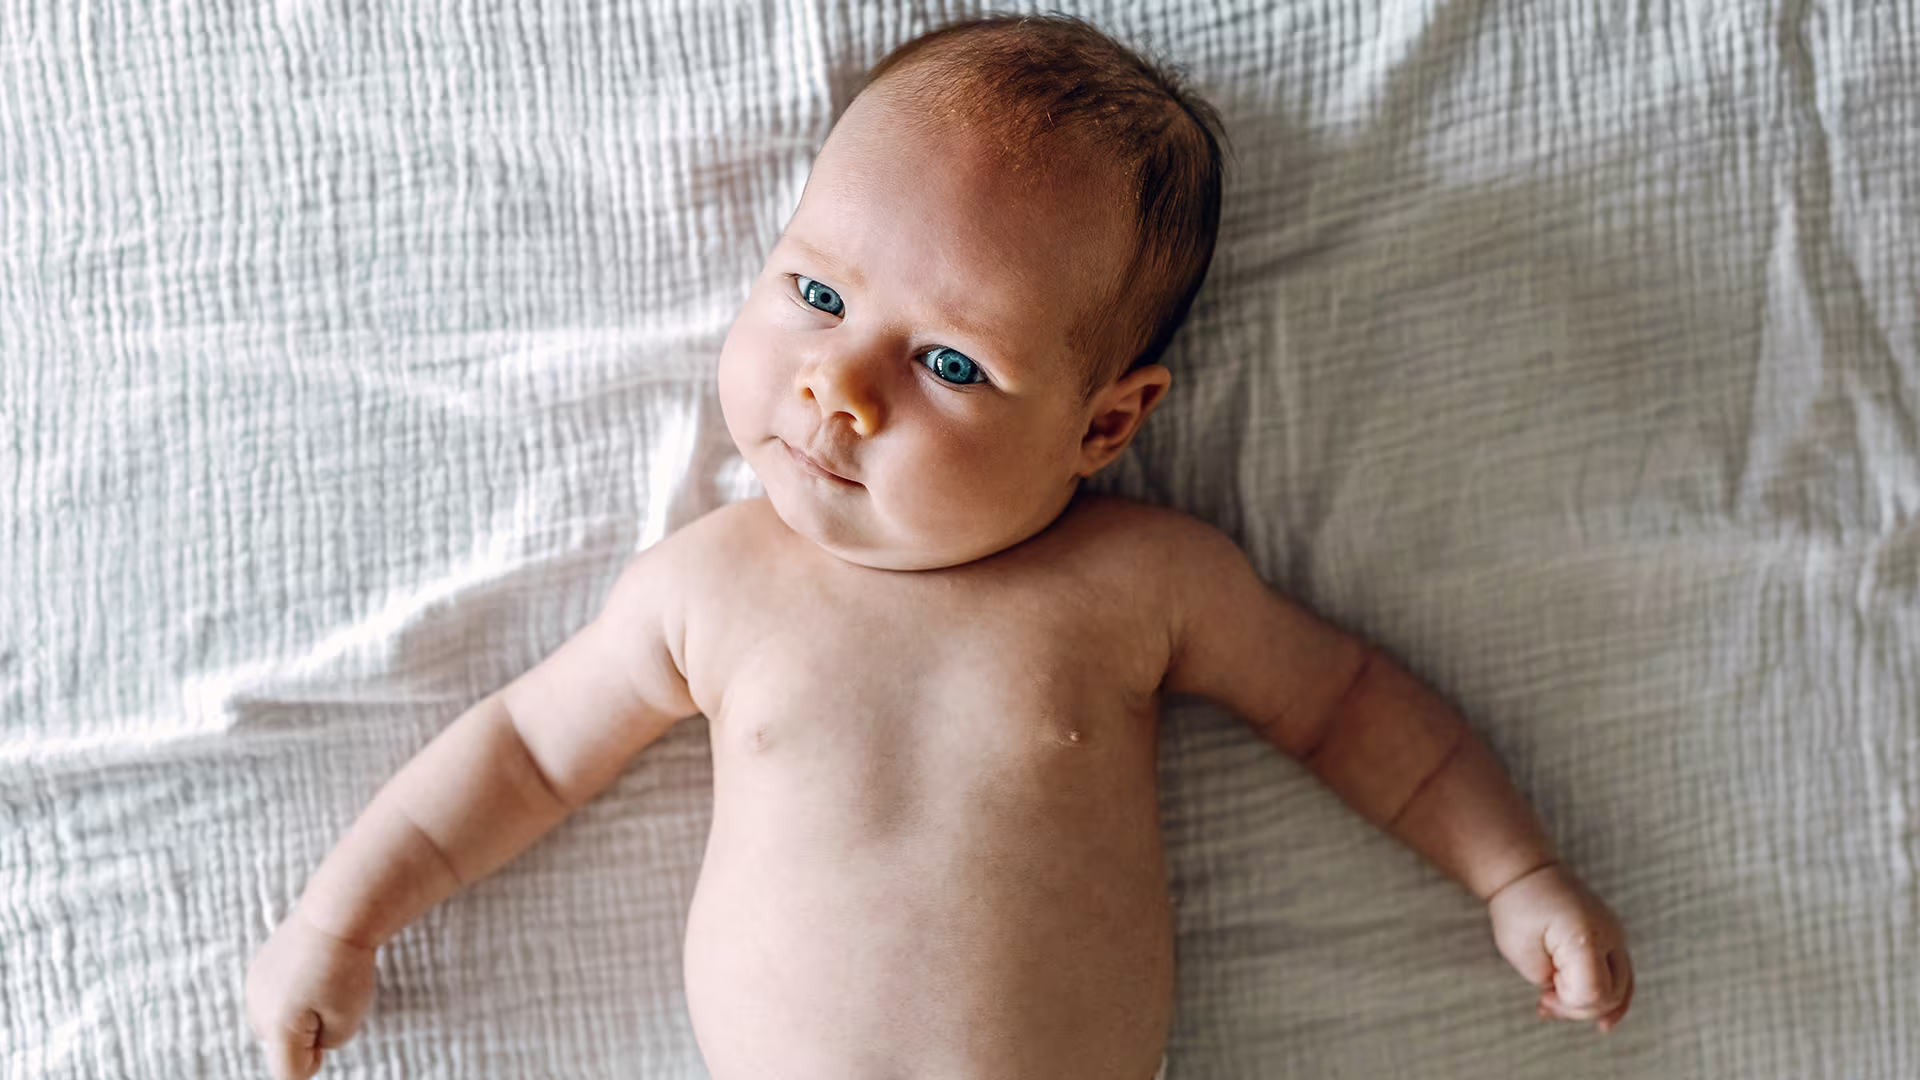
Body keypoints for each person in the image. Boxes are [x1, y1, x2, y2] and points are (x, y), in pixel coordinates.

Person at [245, 14, 1634, 1080]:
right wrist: (341, 923)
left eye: (953, 365)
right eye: (815, 291)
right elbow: (520, 757)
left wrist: (1512, 873)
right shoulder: (711, 586)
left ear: (1107, 424)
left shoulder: (1143, 582)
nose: (838, 385)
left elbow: (1352, 710)